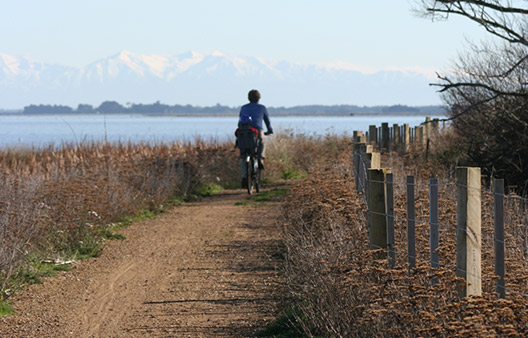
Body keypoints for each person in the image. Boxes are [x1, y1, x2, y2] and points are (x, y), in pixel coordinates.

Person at [239, 89, 273, 168]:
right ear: (259, 98)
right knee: (262, 141)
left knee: (243, 152)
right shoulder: (262, 108)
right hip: (257, 131)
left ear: (248, 98)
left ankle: (243, 175)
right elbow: (267, 121)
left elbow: (240, 120)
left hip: (244, 131)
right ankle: (261, 158)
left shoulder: (244, 107)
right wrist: (269, 130)